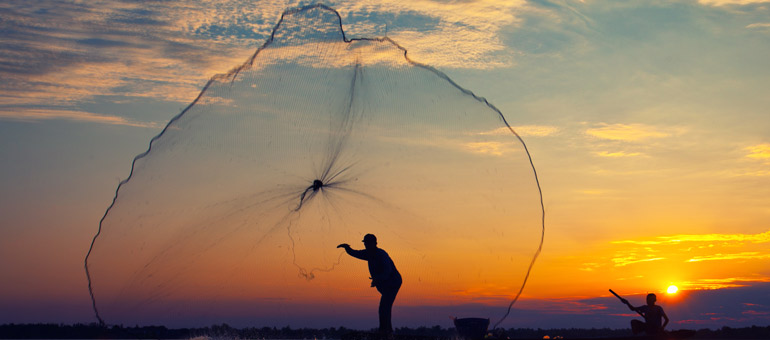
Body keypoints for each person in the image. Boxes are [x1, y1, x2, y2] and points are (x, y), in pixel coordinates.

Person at [338, 234, 402, 334]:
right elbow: (357, 253)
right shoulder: (368, 253)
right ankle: (386, 330)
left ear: (375, 243)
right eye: (365, 243)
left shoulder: (381, 254)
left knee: (384, 306)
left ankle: (385, 330)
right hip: (385, 284)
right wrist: (347, 248)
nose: (366, 245)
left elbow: (388, 271)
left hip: (393, 283)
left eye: (368, 243)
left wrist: (377, 279)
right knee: (385, 307)